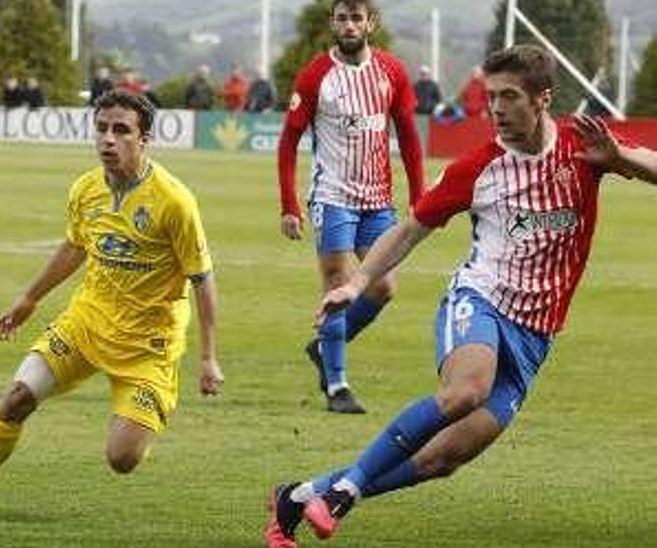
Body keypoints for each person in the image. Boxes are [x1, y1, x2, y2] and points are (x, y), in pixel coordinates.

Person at [264, 44, 657, 548]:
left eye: (509, 96)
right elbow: (409, 230)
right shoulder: (478, 167)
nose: (495, 108)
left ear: (543, 98)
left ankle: (297, 496)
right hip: (480, 301)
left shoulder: (582, 148)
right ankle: (346, 491)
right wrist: (358, 283)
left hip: (535, 336)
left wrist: (618, 156)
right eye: (490, 96)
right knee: (465, 391)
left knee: (439, 460)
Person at [0, 90, 224, 518]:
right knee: (16, 398)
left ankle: (142, 412)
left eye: (121, 130)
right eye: (101, 128)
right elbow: (74, 248)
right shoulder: (85, 189)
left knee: (122, 459)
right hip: (87, 323)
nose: (108, 139)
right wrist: (29, 298)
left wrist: (209, 358)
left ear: (145, 139)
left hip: (147, 346)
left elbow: (203, 279)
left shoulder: (175, 202)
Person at [276, 0, 424, 414]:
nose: (349, 24)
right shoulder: (315, 75)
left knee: (383, 287)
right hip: (333, 197)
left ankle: (323, 348)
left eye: (357, 17)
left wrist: (419, 194)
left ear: (370, 23)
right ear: (333, 23)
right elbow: (289, 141)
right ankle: (337, 385)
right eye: (342, 17)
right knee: (339, 285)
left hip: (378, 200)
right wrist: (289, 204)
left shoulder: (391, 71)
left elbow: (409, 137)